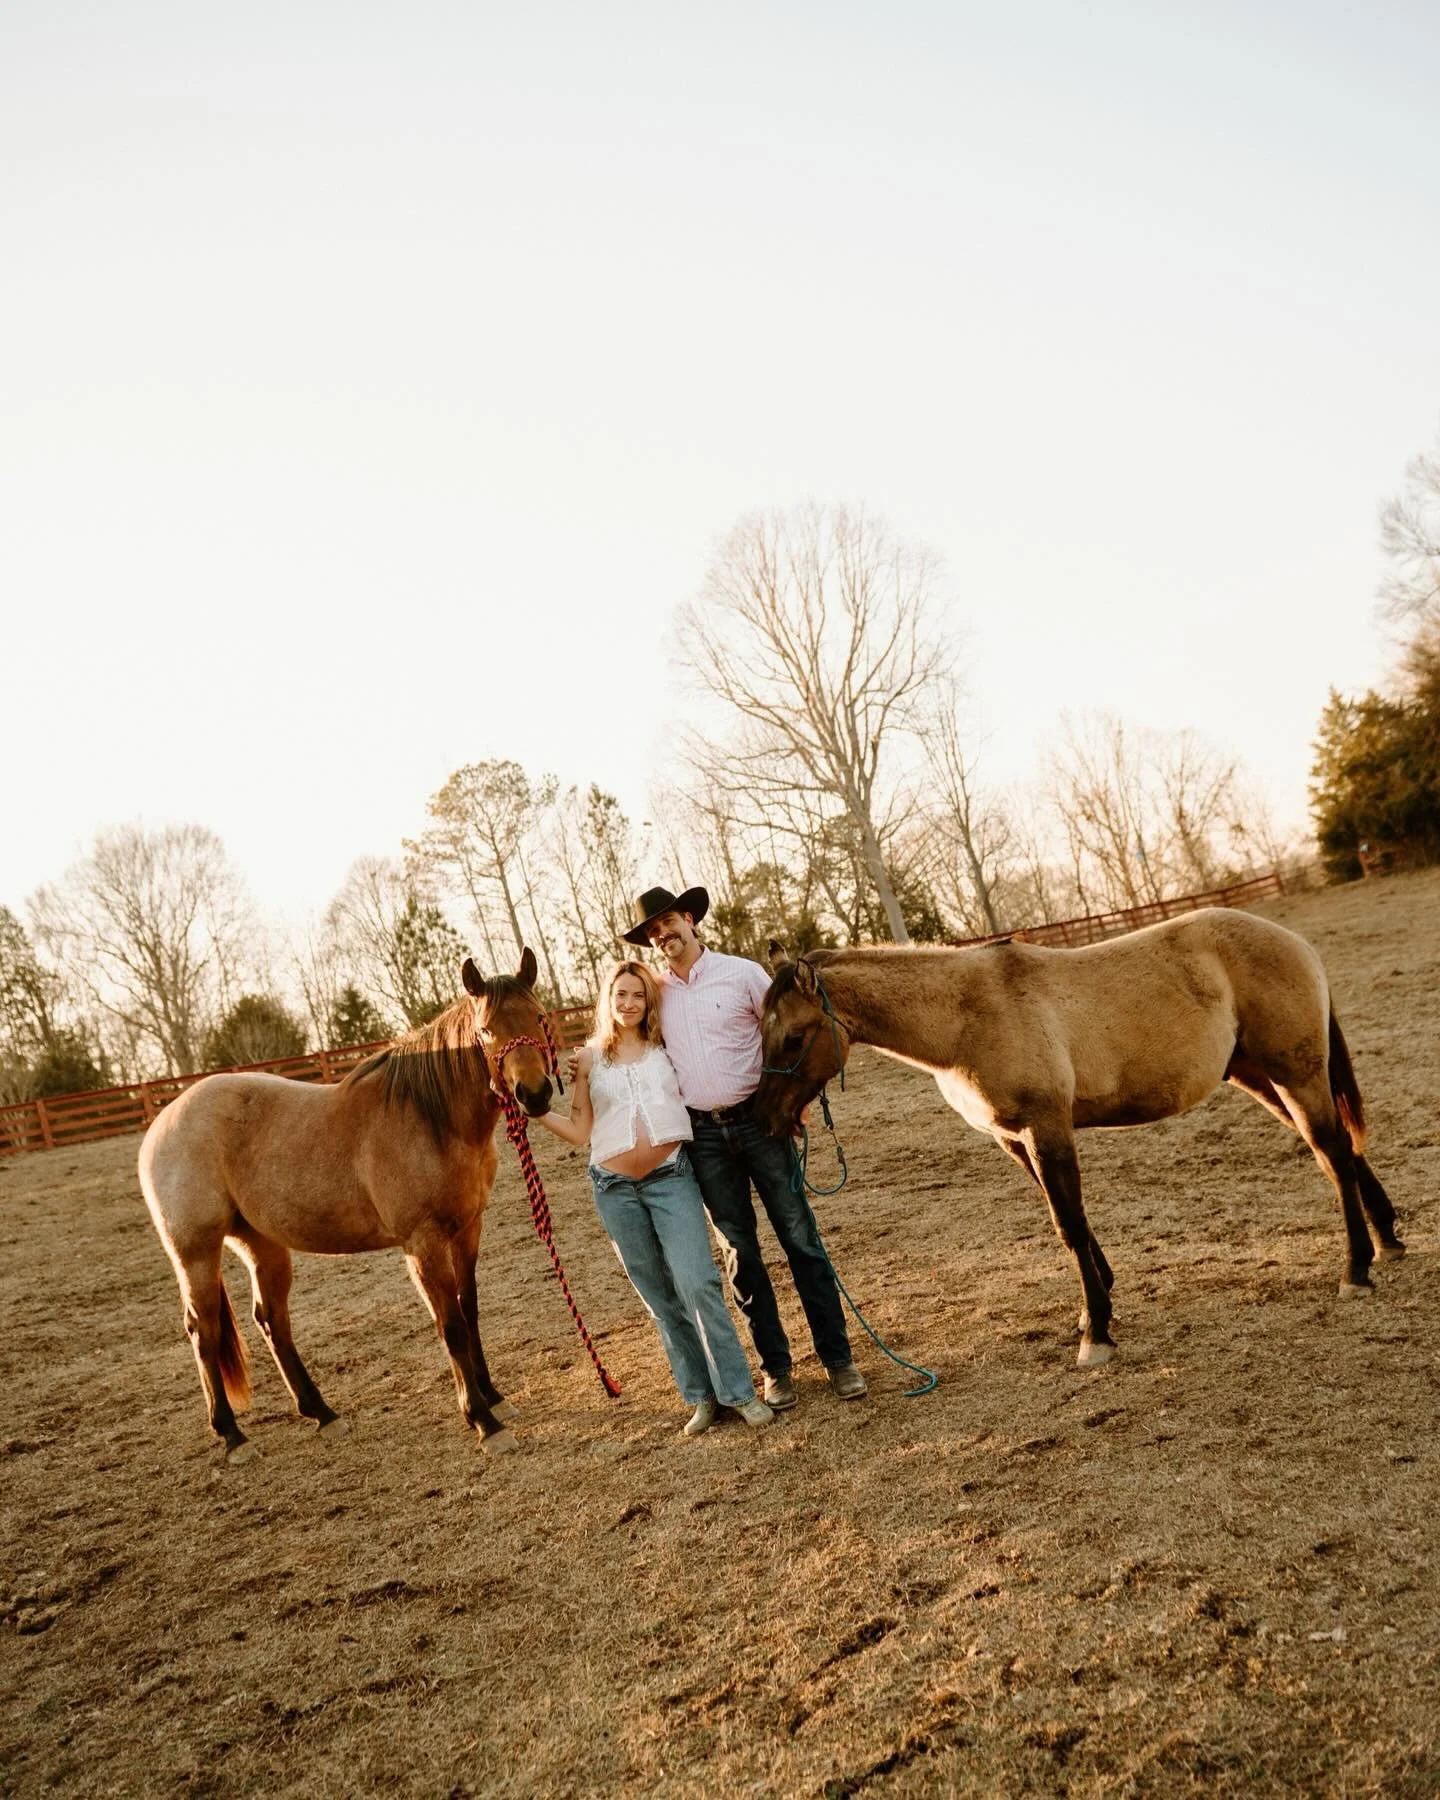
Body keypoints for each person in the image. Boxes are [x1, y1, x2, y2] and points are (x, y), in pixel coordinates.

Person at [620, 883, 866, 1411]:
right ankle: (776, 1368)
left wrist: (798, 1105)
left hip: (761, 1122)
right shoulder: (656, 995)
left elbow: (790, 1034)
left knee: (800, 1237)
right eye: (652, 932)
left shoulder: (743, 974)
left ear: (690, 919)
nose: (662, 935)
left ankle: (838, 1358)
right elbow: (626, 1043)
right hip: (703, 1136)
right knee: (740, 1254)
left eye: (668, 923)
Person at [535, 958, 773, 1437]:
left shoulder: (666, 1046)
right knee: (660, 1299)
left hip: (671, 1177)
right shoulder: (587, 1059)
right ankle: (701, 1397)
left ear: (649, 1002)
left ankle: (739, 1391)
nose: (628, 1003)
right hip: (614, 1188)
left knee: (698, 1282)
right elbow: (581, 1131)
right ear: (608, 998)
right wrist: (537, 1114)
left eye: (638, 995)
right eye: (620, 994)